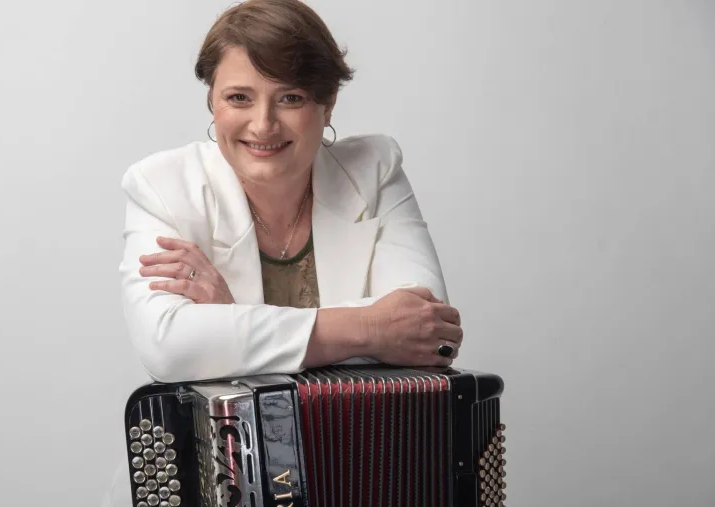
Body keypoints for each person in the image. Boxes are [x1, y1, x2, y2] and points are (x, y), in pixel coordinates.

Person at [103, 0, 462, 504]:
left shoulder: (374, 170)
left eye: (290, 98)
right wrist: (371, 328)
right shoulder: (163, 187)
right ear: (212, 102)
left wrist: (232, 320)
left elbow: (427, 333)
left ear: (327, 103)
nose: (263, 124)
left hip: (359, 475)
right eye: (239, 97)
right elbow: (168, 347)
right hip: (213, 487)